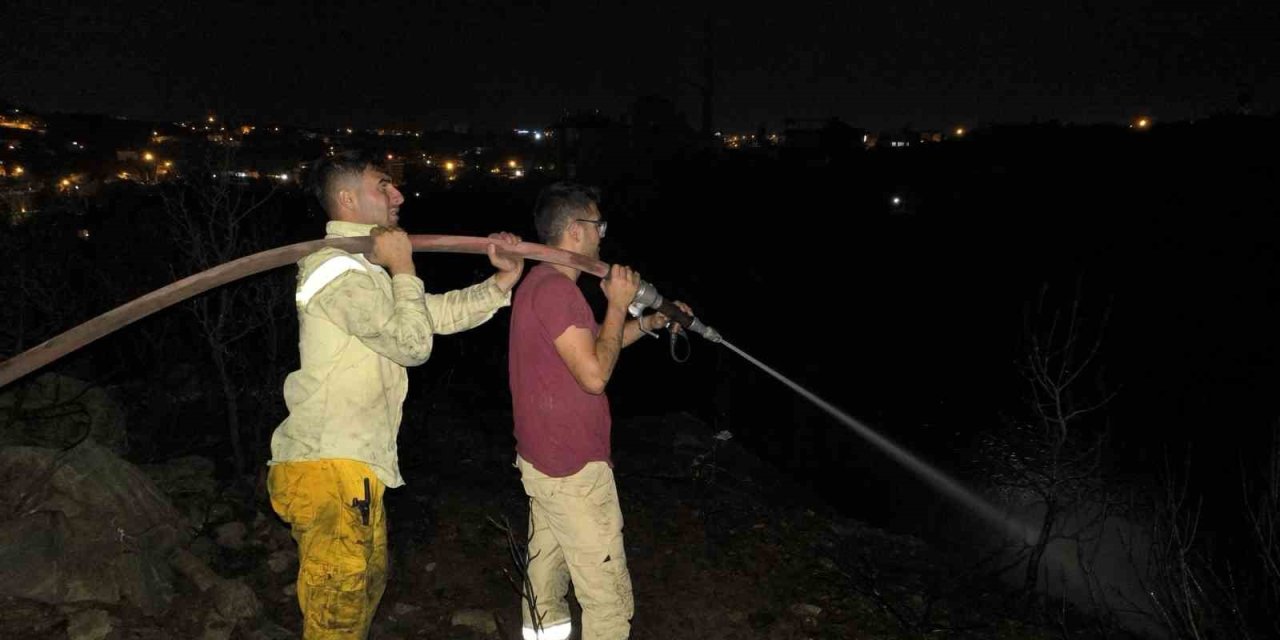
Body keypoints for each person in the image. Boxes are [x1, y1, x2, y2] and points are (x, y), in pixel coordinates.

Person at [267, 150, 524, 638]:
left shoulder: (363, 273)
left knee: (362, 596)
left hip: (353, 467)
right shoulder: (332, 269)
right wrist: (404, 267)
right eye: (383, 185)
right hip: (328, 466)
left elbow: (430, 315)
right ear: (347, 199)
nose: (398, 195)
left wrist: (501, 282)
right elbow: (411, 344)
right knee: (338, 613)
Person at [508, 182, 690, 640]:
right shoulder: (557, 291)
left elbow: (592, 348)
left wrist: (647, 321)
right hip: (573, 469)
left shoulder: (542, 284)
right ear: (575, 230)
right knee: (607, 600)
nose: (602, 236)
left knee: (544, 581)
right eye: (597, 226)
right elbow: (594, 375)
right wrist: (616, 303)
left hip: (546, 464)